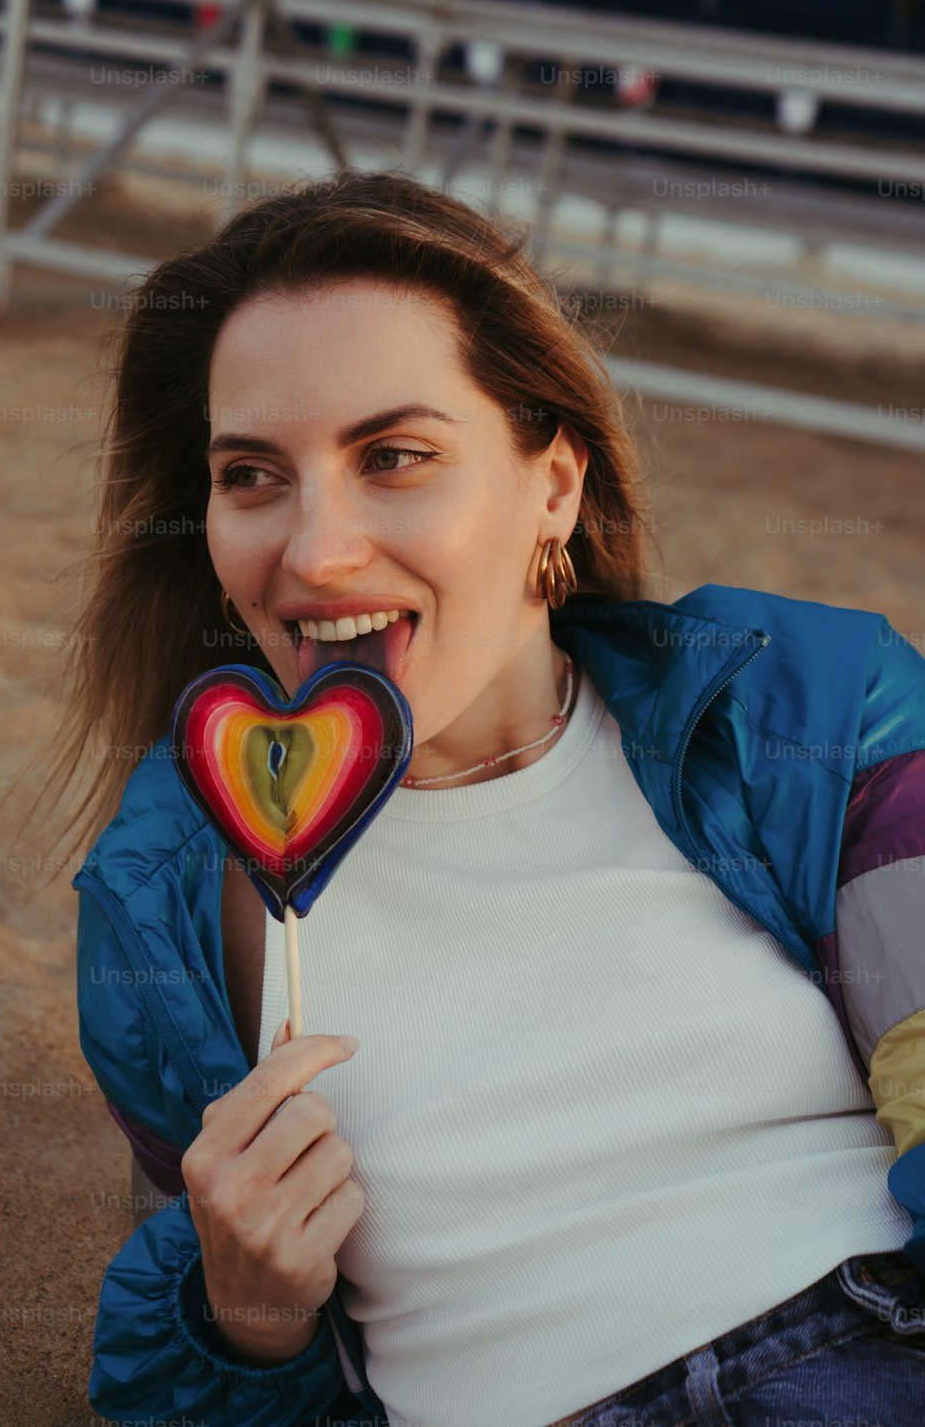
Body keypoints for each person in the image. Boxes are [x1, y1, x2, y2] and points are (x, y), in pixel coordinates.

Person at [56, 169, 925, 1427]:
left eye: (395, 456)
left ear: (552, 487)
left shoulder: (801, 714)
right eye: (252, 475)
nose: (314, 552)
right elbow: (208, 1391)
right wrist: (244, 1321)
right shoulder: (166, 910)